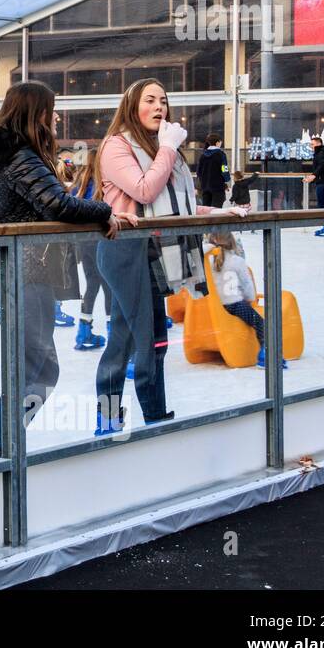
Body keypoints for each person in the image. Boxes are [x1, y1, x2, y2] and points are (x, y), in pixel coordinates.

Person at [0, 82, 125, 461]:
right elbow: (57, 205)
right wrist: (104, 212)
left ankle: (4, 450)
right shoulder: (21, 157)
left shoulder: (10, 156)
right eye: (52, 110)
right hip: (22, 277)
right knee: (37, 370)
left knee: (36, 368)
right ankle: (2, 453)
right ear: (35, 114)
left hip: (12, 276)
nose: (57, 117)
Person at [93, 78, 243, 435]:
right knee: (141, 339)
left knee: (140, 337)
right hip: (125, 250)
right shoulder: (116, 147)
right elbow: (145, 190)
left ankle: (127, 417)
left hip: (153, 249)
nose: (159, 106)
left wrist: (219, 213)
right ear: (132, 106)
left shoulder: (159, 149)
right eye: (150, 100)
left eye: (163, 100)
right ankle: (142, 418)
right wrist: (168, 149)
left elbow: (175, 205)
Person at [207, 232, 275, 368]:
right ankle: (266, 355)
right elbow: (247, 284)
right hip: (235, 305)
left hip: (217, 305)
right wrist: (251, 299)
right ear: (232, 243)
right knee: (261, 323)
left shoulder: (209, 261)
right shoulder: (237, 261)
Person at [69, 148, 111, 351]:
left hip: (83, 243)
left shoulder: (77, 185)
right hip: (102, 242)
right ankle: (114, 334)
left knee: (92, 283)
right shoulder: (102, 185)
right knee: (109, 286)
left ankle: (83, 331)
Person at [196, 134, 230, 208]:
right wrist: (227, 179)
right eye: (221, 142)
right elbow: (224, 168)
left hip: (205, 186)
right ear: (217, 142)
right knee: (216, 209)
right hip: (217, 186)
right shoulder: (221, 154)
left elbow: (198, 171)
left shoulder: (203, 155)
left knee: (206, 209)